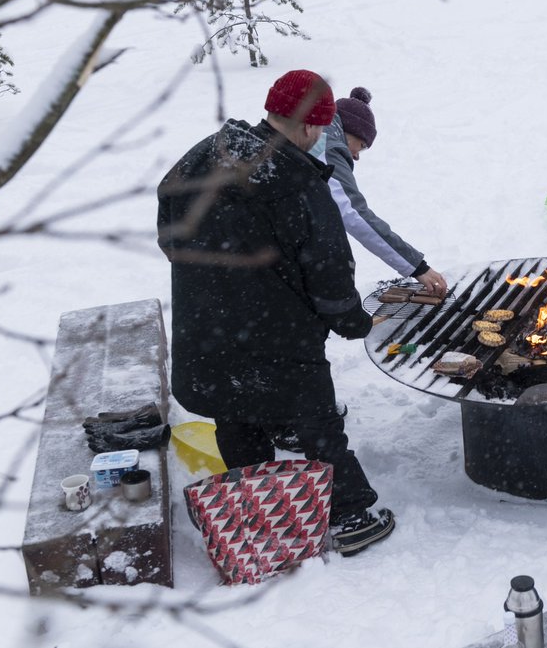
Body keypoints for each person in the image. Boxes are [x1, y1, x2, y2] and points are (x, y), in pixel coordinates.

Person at [157, 69, 395, 555]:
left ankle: (255, 510)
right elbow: (330, 276)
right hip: (277, 335)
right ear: (311, 128)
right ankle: (351, 513)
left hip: (206, 328)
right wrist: (355, 321)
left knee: (235, 415)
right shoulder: (298, 186)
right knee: (317, 423)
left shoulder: (206, 154)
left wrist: (214, 278)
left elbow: (171, 226)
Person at [321, 86, 448, 296]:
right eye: (362, 146)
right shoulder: (327, 148)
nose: (357, 156)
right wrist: (417, 266)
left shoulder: (320, 135)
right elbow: (354, 214)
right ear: (350, 131)